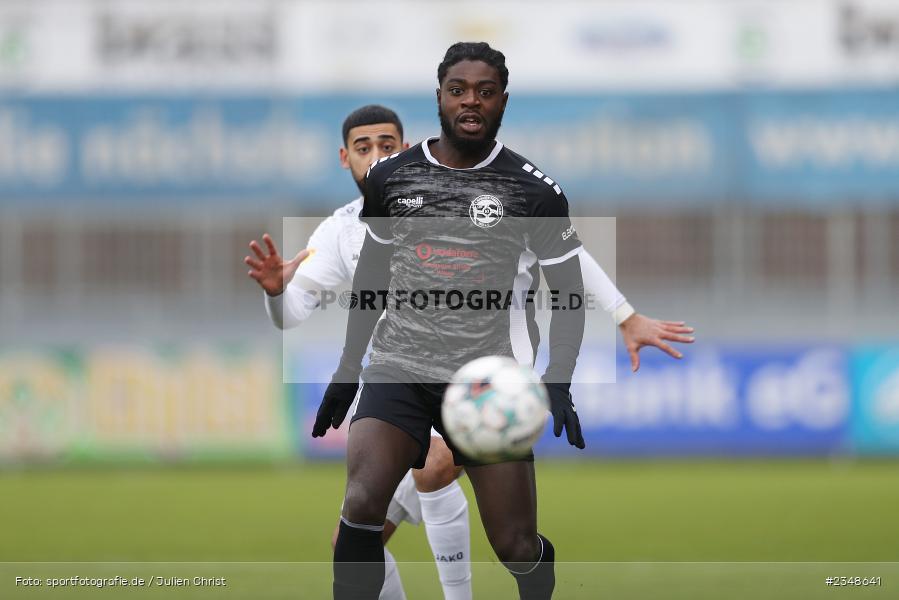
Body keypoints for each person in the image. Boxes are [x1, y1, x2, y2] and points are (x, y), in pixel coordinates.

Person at [308, 42, 692, 599]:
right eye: (458, 90)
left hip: (486, 382)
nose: (471, 102)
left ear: (502, 101)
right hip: (398, 368)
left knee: (515, 544)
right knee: (361, 507)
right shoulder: (391, 177)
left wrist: (557, 379)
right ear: (438, 96)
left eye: (485, 93)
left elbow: (566, 292)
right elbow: (371, 274)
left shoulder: (534, 191)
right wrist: (349, 370)